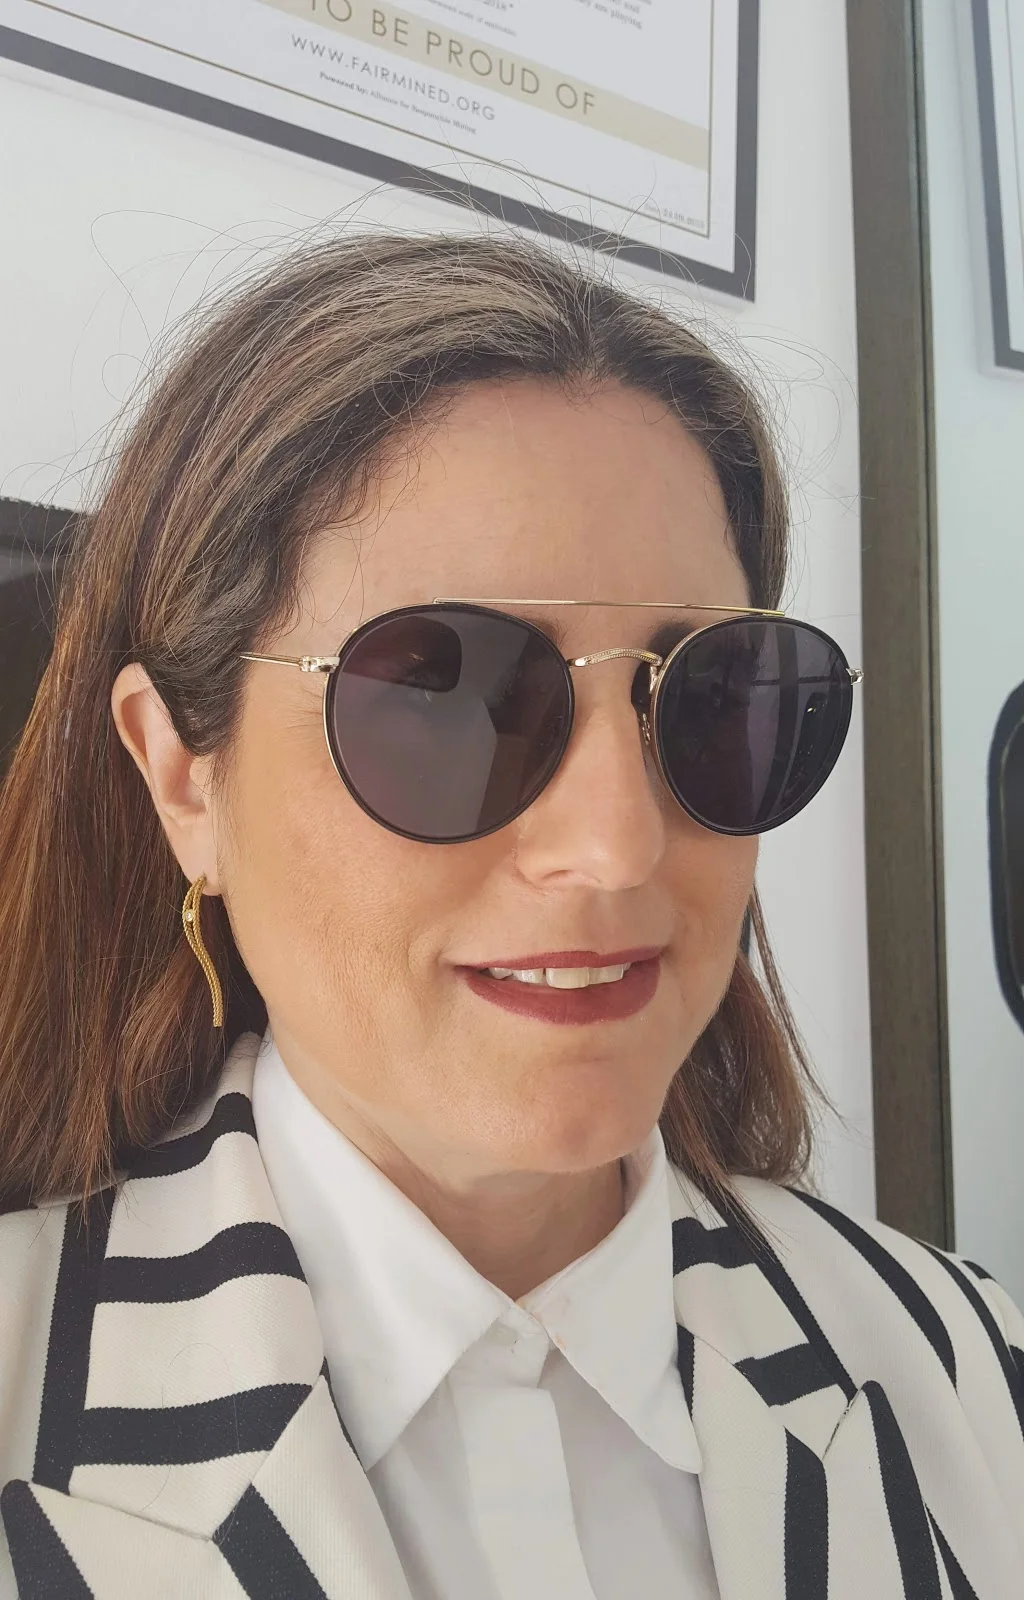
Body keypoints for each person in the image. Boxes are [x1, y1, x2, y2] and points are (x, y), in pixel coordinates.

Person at [0, 233, 1019, 1600]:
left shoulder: (970, 1375)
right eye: (446, 700)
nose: (615, 844)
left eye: (710, 696)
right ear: (185, 775)